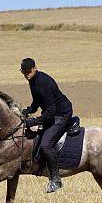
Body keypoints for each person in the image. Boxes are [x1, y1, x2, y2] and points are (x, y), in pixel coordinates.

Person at [20, 57, 73, 193]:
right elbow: (37, 101)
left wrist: (35, 121)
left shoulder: (42, 82)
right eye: (23, 72)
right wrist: (29, 110)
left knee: (46, 144)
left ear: (34, 68)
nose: (26, 74)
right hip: (53, 113)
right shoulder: (33, 80)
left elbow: (51, 110)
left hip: (61, 114)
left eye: (28, 71)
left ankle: (56, 180)